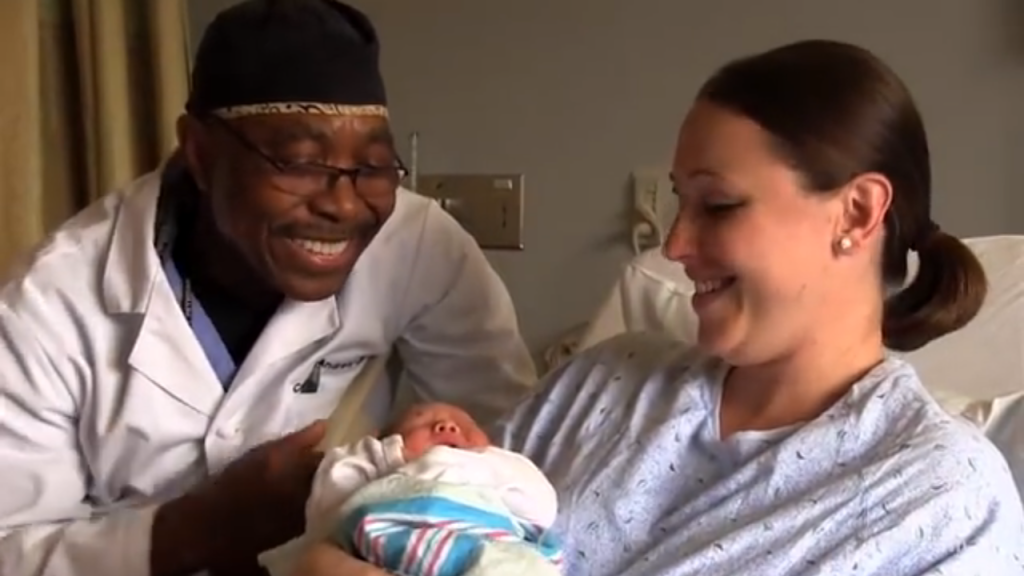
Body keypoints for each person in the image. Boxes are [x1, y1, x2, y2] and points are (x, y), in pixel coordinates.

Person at [295, 39, 1024, 575]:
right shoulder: (604, 383)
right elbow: (354, 541)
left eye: (719, 205)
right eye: (680, 200)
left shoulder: (941, 499)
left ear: (858, 213)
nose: (675, 244)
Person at [0, 1, 536, 575]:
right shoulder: (50, 302)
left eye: (374, 165)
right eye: (300, 162)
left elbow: (502, 447)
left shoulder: (418, 248)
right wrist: (200, 528)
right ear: (201, 154)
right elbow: (10, 547)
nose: (343, 203)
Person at [259, 403, 562, 576]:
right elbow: (329, 506)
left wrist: (479, 461)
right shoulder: (378, 475)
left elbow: (543, 506)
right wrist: (391, 458)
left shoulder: (497, 481)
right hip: (392, 552)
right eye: (422, 421)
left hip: (491, 554)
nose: (446, 426)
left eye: (464, 424)